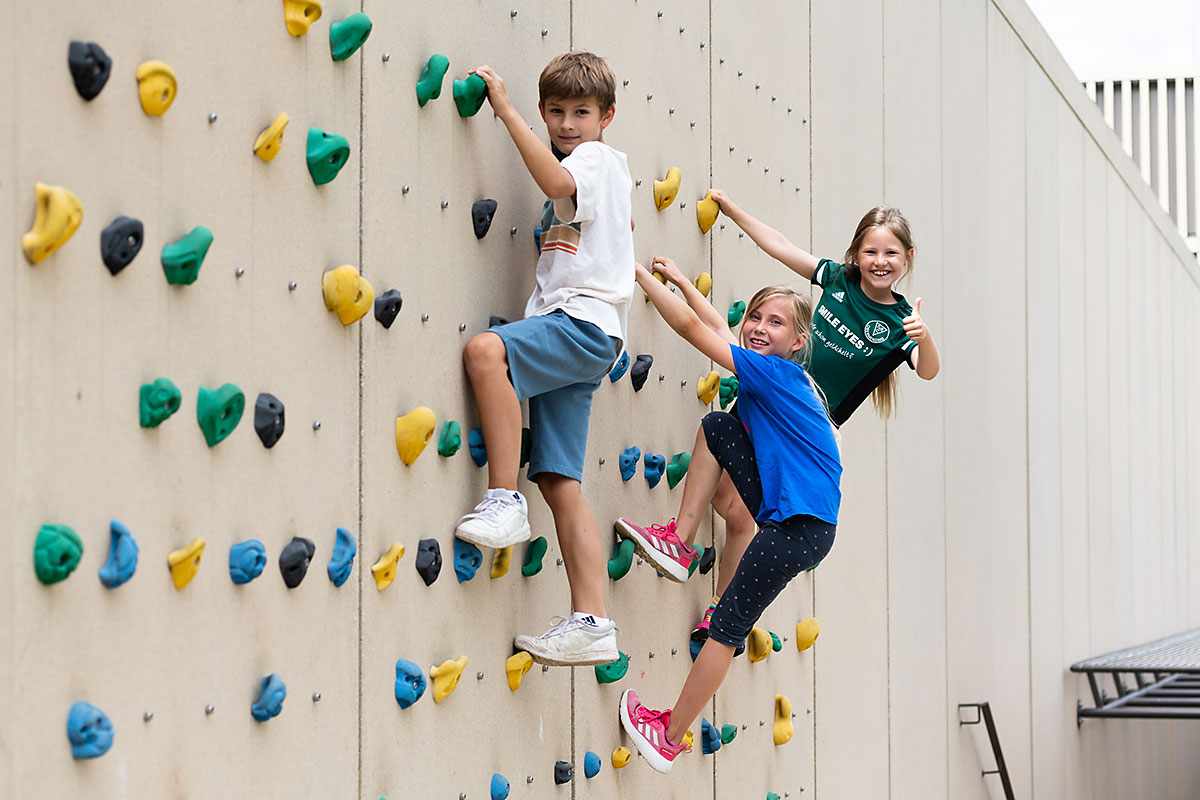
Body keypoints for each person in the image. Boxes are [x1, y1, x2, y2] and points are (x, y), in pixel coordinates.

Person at [645, 199, 939, 652]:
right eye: (871, 251)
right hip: (771, 392)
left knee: (741, 510)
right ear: (855, 254)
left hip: (802, 423)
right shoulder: (838, 281)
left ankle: (720, 610)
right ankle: (704, 578)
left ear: (908, 259)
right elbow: (780, 247)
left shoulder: (902, 323)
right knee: (730, 500)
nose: (879, 262)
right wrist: (732, 212)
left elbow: (927, 370)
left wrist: (924, 336)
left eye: (891, 253)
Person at [617, 264, 842, 773]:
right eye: (756, 316)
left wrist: (637, 274)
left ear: (798, 341)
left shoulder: (777, 373)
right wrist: (682, 281)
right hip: (797, 518)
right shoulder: (775, 371)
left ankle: (669, 736)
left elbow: (694, 333)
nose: (759, 327)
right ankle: (678, 540)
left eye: (776, 323)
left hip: (798, 528)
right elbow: (719, 328)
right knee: (719, 425)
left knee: (725, 628)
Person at [453, 52, 634, 667]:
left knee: (486, 353)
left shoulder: (597, 160)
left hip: (581, 325)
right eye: (554, 112)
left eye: (581, 112)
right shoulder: (593, 170)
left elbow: (559, 185)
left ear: (607, 116)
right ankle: (594, 621)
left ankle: (503, 498)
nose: (566, 124)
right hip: (588, 335)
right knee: (560, 480)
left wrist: (503, 111)